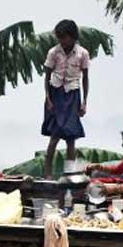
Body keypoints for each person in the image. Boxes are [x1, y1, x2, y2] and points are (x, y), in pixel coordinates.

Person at [42, 19, 90, 179]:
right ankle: (48, 174)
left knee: (71, 138)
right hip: (56, 94)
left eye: (65, 37)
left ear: (72, 36)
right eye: (60, 38)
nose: (62, 41)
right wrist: (48, 99)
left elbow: (85, 78)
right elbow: (47, 76)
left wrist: (84, 102)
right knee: (54, 136)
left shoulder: (82, 53)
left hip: (72, 94)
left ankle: (69, 174)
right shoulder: (53, 52)